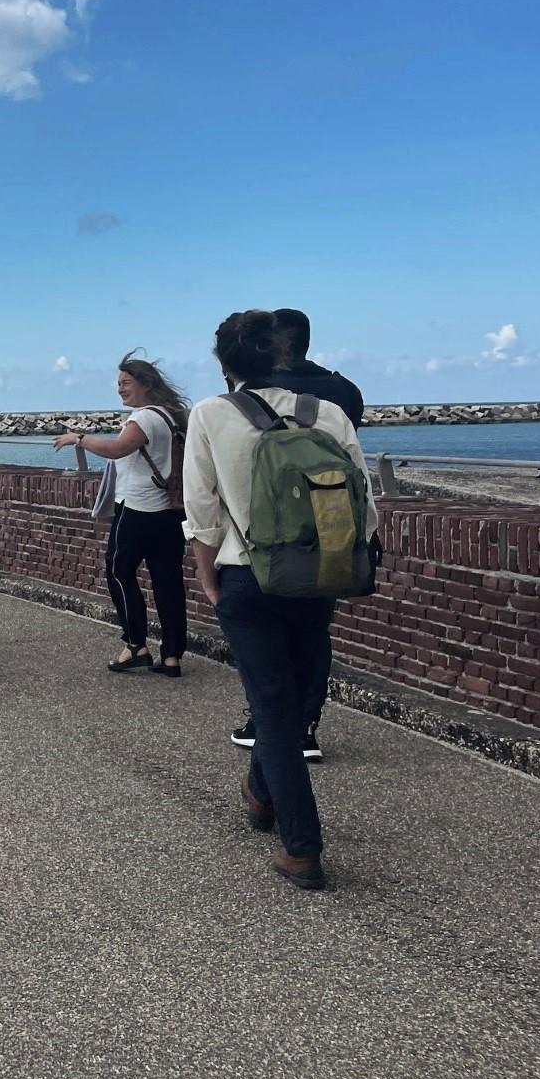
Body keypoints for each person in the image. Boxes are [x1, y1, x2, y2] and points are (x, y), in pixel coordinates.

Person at [183, 309, 378, 891]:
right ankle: (261, 790)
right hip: (317, 576)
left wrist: (207, 576)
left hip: (248, 575)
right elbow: (364, 505)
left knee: (271, 708)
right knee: (289, 700)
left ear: (224, 362)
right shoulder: (331, 414)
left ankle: (302, 847)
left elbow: (201, 508)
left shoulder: (212, 415)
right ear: (283, 356)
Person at [228, 307, 367, 760]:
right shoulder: (343, 393)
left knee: (265, 635)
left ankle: (265, 722)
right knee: (313, 633)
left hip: (264, 535)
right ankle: (306, 725)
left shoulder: (252, 393)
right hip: (329, 530)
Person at [53, 353, 190, 677]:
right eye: (118, 384)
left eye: (126, 383)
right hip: (170, 510)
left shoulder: (143, 418)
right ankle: (171, 656)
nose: (120, 389)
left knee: (118, 571)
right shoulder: (173, 416)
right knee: (168, 582)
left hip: (138, 507)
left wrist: (79, 438)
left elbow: (117, 449)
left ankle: (135, 644)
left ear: (146, 384)